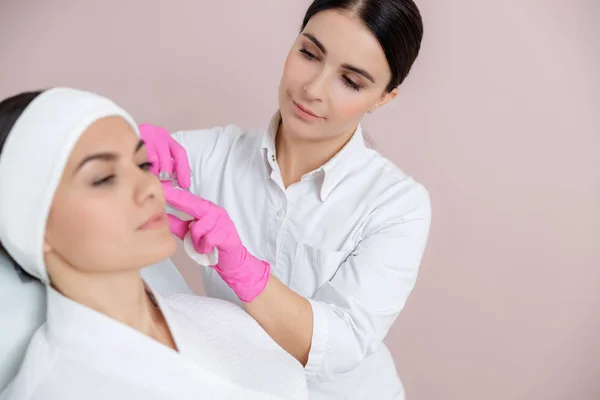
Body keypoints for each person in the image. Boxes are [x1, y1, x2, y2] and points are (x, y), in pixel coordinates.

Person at [141, 0, 431, 398]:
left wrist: (245, 270)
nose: (312, 89)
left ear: (383, 98)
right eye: (309, 54)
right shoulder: (214, 156)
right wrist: (122, 145)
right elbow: (99, 185)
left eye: (351, 81)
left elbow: (343, 344)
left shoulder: (398, 207)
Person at [0, 88, 308, 400]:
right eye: (104, 178)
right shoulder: (53, 388)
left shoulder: (225, 319)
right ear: (31, 220)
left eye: (143, 164)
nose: (149, 188)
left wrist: (246, 271)